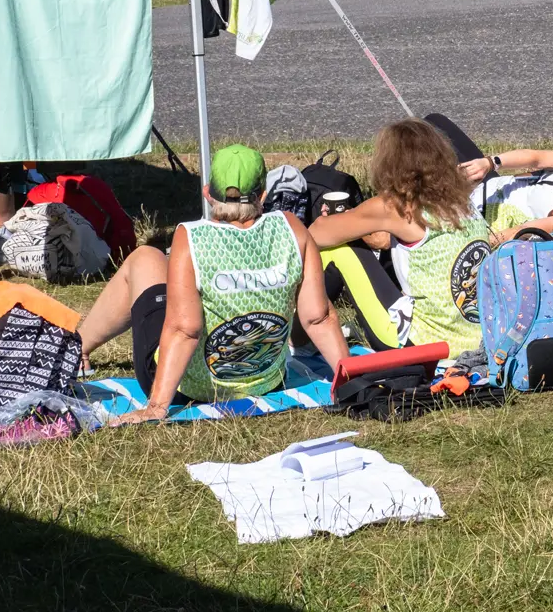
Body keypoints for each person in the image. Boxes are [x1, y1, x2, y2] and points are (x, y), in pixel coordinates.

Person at [76, 145, 349, 423]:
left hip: (192, 388)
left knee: (145, 258)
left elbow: (185, 329)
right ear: (263, 196)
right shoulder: (293, 228)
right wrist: (350, 378)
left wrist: (157, 407)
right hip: (266, 383)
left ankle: (78, 347)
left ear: (208, 194)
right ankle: (79, 347)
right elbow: (318, 317)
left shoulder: (192, 236)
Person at [309, 119, 494, 355]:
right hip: (477, 339)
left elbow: (317, 235)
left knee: (339, 250)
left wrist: (331, 219)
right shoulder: (461, 199)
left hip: (424, 346)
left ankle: (301, 340)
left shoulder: (395, 207)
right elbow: (391, 242)